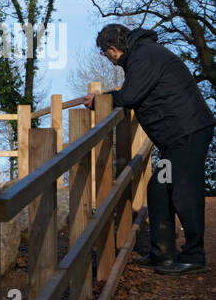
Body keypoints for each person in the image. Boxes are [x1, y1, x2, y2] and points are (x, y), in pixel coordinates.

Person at [87, 24, 215, 275]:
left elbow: (130, 96)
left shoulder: (143, 55)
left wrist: (102, 100)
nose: (107, 58)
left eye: (105, 53)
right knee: (158, 188)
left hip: (186, 132)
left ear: (113, 49)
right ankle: (163, 253)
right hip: (175, 136)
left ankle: (194, 256)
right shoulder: (142, 54)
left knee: (184, 191)